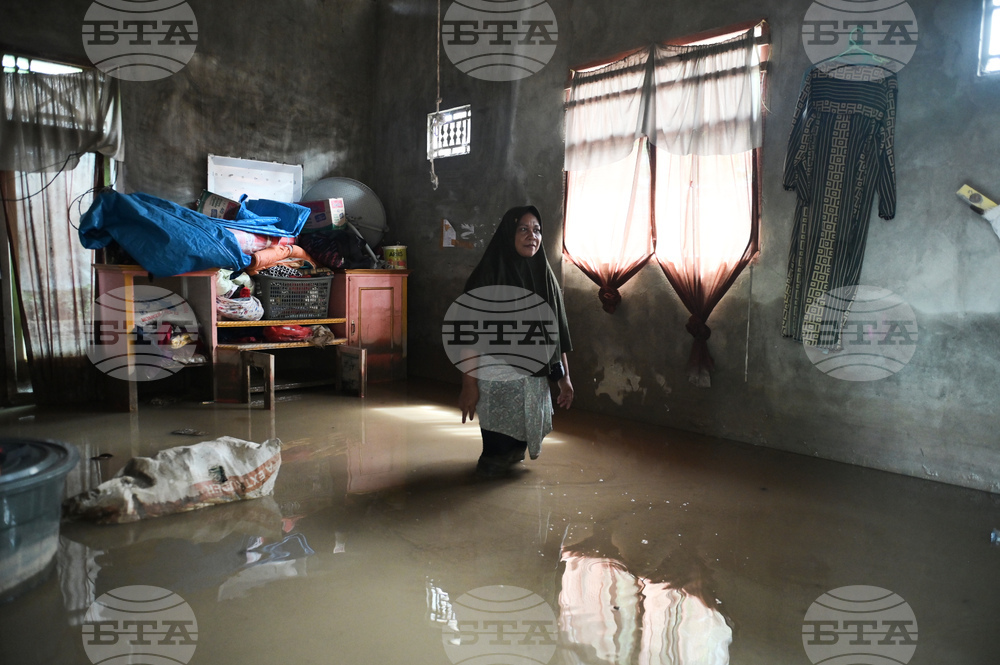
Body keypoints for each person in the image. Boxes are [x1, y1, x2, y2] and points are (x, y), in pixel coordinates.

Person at [457, 205, 573, 477]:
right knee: (495, 453)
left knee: (517, 449)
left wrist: (564, 377)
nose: (532, 235)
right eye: (523, 229)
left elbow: (557, 335)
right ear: (509, 233)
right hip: (498, 380)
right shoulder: (488, 277)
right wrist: (469, 384)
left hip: (533, 382)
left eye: (537, 230)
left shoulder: (546, 278)